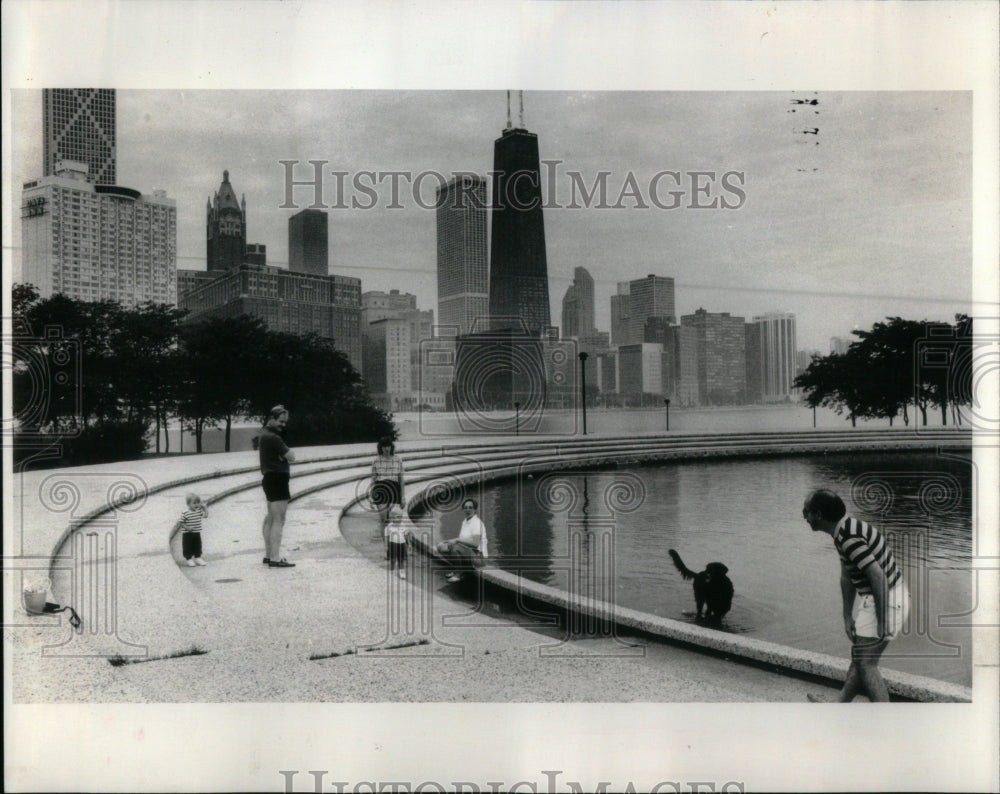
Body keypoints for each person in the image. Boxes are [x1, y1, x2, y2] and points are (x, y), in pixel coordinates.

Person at [802, 488, 911, 702]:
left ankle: (886, 724)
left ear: (819, 515)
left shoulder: (848, 537)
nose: (804, 516)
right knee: (859, 660)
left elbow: (878, 577)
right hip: (882, 597)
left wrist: (882, 621)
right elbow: (847, 577)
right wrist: (846, 616)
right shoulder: (843, 531)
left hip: (887, 598)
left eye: (806, 511)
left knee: (865, 664)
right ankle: (838, 708)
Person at [259, 405, 297, 568]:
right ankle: (275, 557)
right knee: (279, 520)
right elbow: (292, 457)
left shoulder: (264, 434)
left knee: (271, 518)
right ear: (272, 419)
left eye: (285, 422)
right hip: (278, 480)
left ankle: (269, 555)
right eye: (281, 421)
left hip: (269, 479)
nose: (283, 425)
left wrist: (282, 457)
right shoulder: (274, 438)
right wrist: (284, 457)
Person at [436, 498, 488, 583]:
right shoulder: (465, 521)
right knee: (441, 546)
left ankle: (459, 574)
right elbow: (462, 540)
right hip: (469, 553)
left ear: (475, 509)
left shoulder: (477, 523)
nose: (468, 510)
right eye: (466, 507)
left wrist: (457, 540)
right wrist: (447, 541)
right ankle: (457, 569)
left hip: (479, 557)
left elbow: (475, 543)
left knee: (454, 547)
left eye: (470, 507)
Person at [371, 436, 405, 528]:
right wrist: (370, 497)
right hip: (380, 488)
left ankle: (393, 541)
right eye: (384, 446)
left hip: (394, 488)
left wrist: (403, 497)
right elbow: (373, 479)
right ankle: (386, 542)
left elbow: (401, 480)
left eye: (388, 446)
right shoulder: (376, 460)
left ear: (391, 447)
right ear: (380, 448)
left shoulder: (398, 459)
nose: (386, 449)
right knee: (384, 520)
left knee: (395, 520)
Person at [175, 492, 208, 567]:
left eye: (198, 503)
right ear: (188, 504)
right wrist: (187, 527)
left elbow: (206, 516)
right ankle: (189, 559)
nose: (196, 505)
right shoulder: (185, 513)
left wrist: (205, 508)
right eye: (194, 503)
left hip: (197, 532)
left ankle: (198, 557)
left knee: (198, 545)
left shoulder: (199, 511)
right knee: (187, 546)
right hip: (187, 533)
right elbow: (181, 522)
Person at [385, 505, 411, 580]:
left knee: (401, 559)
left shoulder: (403, 525)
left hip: (402, 544)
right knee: (393, 559)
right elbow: (386, 537)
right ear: (392, 518)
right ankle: (392, 570)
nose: (400, 519)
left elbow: (406, 535)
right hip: (393, 544)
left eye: (401, 517)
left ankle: (401, 571)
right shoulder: (389, 527)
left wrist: (409, 544)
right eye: (397, 517)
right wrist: (386, 546)